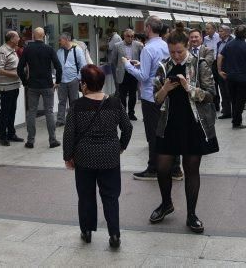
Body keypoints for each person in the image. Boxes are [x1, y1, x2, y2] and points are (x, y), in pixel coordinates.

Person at [149, 29, 218, 233]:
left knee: (191, 169)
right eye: (172, 52)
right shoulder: (164, 65)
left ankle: (191, 214)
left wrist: (190, 89)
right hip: (168, 123)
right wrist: (165, 89)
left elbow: (212, 95)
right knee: (162, 167)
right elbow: (156, 98)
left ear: (187, 46)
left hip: (193, 123)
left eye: (179, 51)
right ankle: (166, 204)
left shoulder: (200, 64)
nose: (176, 56)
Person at [63, 65, 132, 249]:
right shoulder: (115, 102)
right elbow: (128, 127)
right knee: (110, 197)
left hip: (84, 157)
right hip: (110, 156)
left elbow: (69, 133)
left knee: (85, 195)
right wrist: (121, 146)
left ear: (84, 85)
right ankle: (114, 234)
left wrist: (68, 156)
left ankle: (86, 231)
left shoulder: (77, 106)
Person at [124, 16, 182, 181]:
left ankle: (154, 168)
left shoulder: (147, 49)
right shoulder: (166, 45)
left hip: (151, 96)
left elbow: (143, 76)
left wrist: (128, 66)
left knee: (154, 134)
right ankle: (176, 168)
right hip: (167, 93)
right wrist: (139, 64)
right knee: (170, 131)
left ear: (148, 28)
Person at [17, 27, 63, 149]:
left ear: (33, 35)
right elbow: (59, 67)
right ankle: (52, 140)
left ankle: (30, 140)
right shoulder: (49, 49)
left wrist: (25, 82)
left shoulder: (27, 49)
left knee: (31, 112)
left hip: (32, 85)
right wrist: (57, 81)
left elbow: (19, 68)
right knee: (49, 111)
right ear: (43, 36)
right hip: (47, 84)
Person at [217, 25, 246, 129]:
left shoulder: (229, 45)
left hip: (230, 77)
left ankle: (236, 120)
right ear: (245, 34)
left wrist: (219, 70)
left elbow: (220, 56)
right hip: (243, 78)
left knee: (233, 99)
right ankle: (236, 122)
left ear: (234, 33)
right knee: (240, 101)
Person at [0, 31, 24, 146]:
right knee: (5, 112)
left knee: (12, 111)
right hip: (6, 87)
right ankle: (3, 136)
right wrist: (17, 74)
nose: (19, 39)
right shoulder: (2, 51)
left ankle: (11, 133)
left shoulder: (13, 50)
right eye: (17, 37)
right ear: (11, 39)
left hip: (14, 86)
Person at [108, 28, 143, 120]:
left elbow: (141, 59)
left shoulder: (138, 45)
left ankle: (131, 113)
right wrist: (119, 68)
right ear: (124, 36)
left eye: (132, 36)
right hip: (123, 73)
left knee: (132, 95)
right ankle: (123, 114)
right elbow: (113, 60)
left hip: (133, 73)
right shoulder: (117, 45)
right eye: (128, 36)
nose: (130, 38)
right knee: (122, 95)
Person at [56, 33, 87, 127]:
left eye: (60, 40)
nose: (59, 42)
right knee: (61, 101)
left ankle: (74, 120)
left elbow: (83, 65)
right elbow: (57, 66)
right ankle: (60, 120)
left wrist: (78, 78)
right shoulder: (59, 51)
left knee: (74, 101)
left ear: (66, 40)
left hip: (73, 79)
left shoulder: (77, 50)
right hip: (62, 81)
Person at [214, 25, 235, 119]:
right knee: (223, 91)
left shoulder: (232, 42)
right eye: (219, 31)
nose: (219, 33)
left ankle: (234, 111)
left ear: (227, 32)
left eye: (221, 31)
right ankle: (226, 112)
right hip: (220, 70)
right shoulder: (219, 43)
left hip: (230, 70)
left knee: (230, 92)